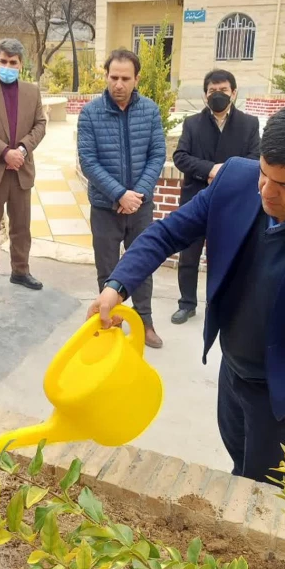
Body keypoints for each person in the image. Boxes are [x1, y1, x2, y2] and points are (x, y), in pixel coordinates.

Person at [88, 100, 285, 484]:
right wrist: (116, 286)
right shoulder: (235, 180)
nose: (267, 192)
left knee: (262, 490)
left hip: (283, 397)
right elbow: (167, 233)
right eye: (265, 175)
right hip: (231, 369)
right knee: (238, 464)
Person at [77, 49, 166, 349]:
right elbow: (88, 161)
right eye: (113, 77)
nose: (118, 84)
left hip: (140, 207)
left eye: (125, 78)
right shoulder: (91, 113)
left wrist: (136, 195)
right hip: (105, 207)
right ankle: (111, 321)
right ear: (106, 76)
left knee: (142, 264)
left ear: (137, 79)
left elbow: (157, 155)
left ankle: (145, 322)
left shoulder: (150, 111)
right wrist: (119, 194)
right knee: (108, 268)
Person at [171, 69, 260, 325]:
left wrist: (226, 172)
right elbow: (181, 157)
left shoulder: (249, 124)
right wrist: (210, 169)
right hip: (195, 200)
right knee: (188, 256)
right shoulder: (192, 123)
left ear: (234, 92)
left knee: (225, 256)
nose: (217, 95)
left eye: (223, 90)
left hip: (232, 202)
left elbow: (256, 158)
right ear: (205, 95)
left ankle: (220, 304)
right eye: (212, 91)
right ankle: (186, 303)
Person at [0, 38, 47, 297]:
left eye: (12, 62)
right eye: (3, 61)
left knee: (21, 226)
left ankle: (20, 270)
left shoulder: (32, 91)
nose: (7, 66)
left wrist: (22, 150)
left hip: (21, 170)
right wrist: (5, 153)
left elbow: (40, 125)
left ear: (20, 65)